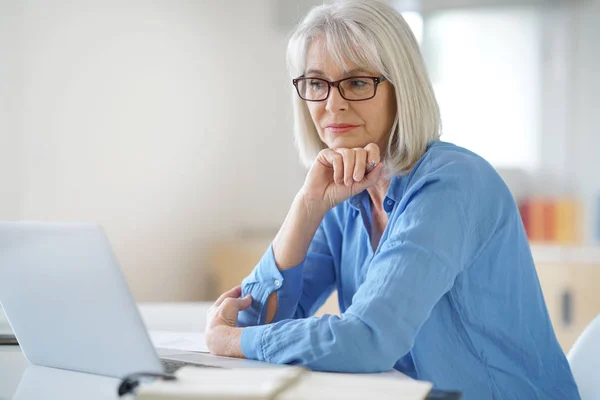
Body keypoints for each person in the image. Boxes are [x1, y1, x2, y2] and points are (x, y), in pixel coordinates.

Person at [204, 1, 581, 398]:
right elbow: (251, 322)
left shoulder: (452, 184)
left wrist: (230, 341)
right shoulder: (344, 196)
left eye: (357, 82)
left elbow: (369, 340)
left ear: (401, 87)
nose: (332, 104)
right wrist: (306, 206)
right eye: (316, 83)